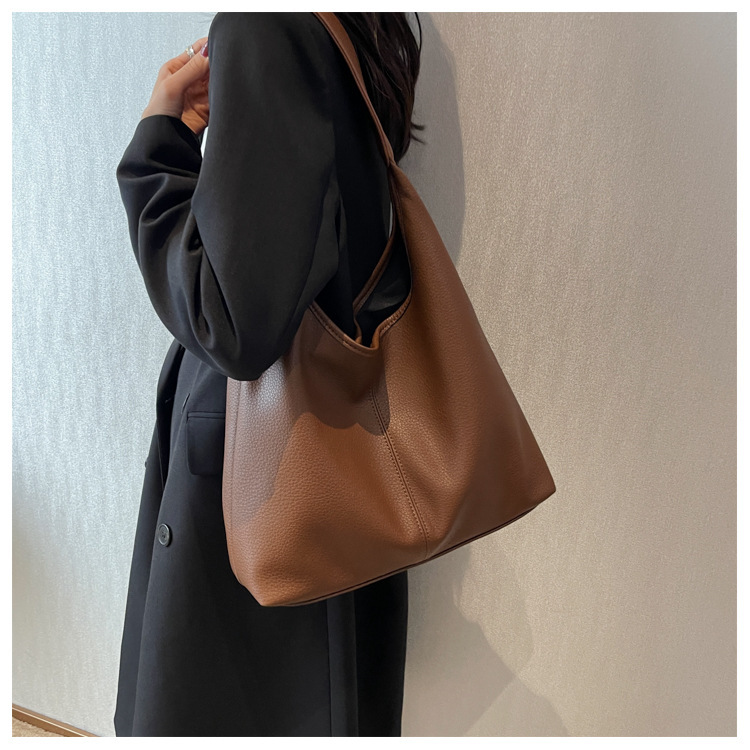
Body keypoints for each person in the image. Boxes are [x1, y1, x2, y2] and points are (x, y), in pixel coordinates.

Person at [113, 11, 424, 737]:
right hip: (329, 451)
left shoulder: (266, 23)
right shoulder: (353, 25)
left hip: (256, 484)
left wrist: (159, 148)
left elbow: (230, 320)